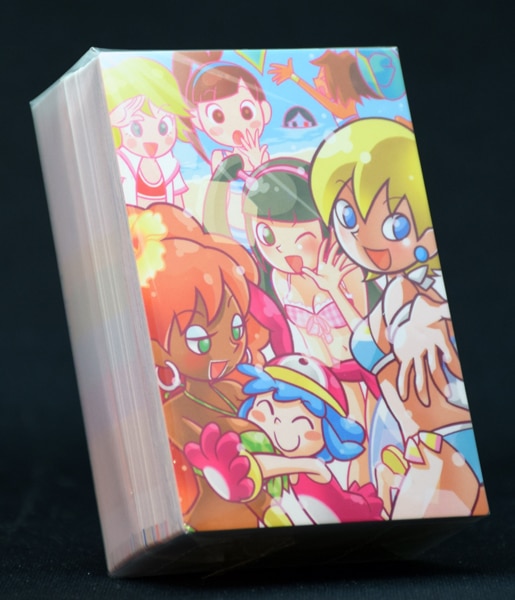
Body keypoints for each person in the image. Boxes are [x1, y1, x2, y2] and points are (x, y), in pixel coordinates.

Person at [309, 118, 487, 518]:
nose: (367, 241)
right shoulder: (394, 294)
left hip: (449, 435)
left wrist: (422, 317)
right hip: (409, 440)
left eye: (396, 225)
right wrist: (337, 291)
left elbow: (431, 310)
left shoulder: (426, 292)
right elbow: (373, 343)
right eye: (348, 217)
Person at [127, 203, 292, 530]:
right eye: (200, 340)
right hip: (216, 528)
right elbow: (223, 460)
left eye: (236, 329)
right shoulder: (174, 412)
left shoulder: (239, 387)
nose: (226, 348)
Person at [185, 355, 383, 525]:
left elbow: (271, 466)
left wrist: (246, 468)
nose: (274, 423)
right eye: (264, 408)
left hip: (351, 520)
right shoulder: (264, 447)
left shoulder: (315, 469)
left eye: (298, 422)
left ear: (322, 435)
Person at [103, 57, 189, 207]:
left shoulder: (170, 163)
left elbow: (178, 203)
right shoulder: (120, 162)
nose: (152, 140)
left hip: (166, 220)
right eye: (136, 129)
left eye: (163, 128)